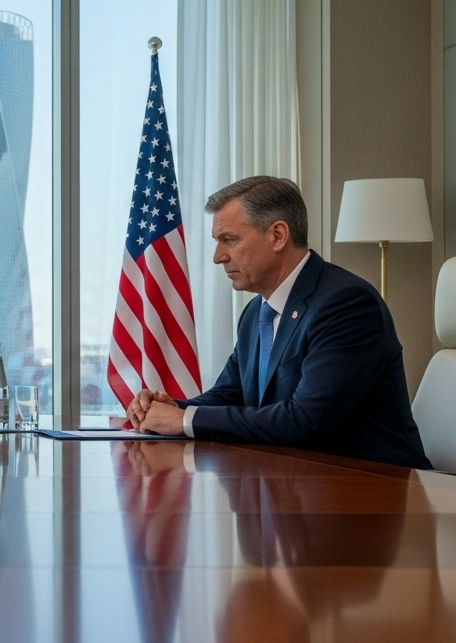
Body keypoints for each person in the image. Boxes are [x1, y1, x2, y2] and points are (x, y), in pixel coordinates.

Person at [127, 176, 429, 469]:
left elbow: (306, 421)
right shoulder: (256, 312)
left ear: (278, 236)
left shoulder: (347, 304)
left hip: (374, 492)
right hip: (296, 481)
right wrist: (167, 410)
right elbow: (230, 395)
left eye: (229, 240)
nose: (218, 257)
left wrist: (183, 421)